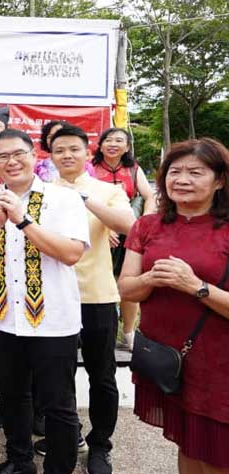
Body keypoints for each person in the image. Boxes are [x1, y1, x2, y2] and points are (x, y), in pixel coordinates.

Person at [0, 129, 90, 474]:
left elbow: (71, 253)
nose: (12, 161)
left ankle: (60, 468)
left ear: (34, 155)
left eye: (18, 153)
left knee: (58, 404)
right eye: (2, 156)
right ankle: (20, 462)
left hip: (53, 322)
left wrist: (22, 220)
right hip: (2, 320)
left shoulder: (63, 198)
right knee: (13, 397)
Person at [119, 138, 229, 474]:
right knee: (188, 444)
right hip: (170, 360)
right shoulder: (147, 226)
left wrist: (195, 287)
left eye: (195, 172)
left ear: (220, 180)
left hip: (219, 364)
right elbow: (126, 288)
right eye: (174, 171)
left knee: (218, 453)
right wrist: (152, 278)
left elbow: (199, 290)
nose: (181, 179)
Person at [43, 125, 136, 474]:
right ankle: (69, 437)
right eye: (59, 150)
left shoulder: (107, 190)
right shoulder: (42, 191)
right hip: (52, 298)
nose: (67, 155)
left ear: (87, 153)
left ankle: (101, 445)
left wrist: (83, 200)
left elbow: (129, 225)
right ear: (50, 157)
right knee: (57, 375)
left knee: (102, 375)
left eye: (74, 149)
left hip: (96, 295)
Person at [92, 127, 156, 351]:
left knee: (128, 282)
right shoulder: (90, 168)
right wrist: (106, 227)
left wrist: (143, 224)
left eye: (119, 140)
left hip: (129, 234)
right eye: (108, 140)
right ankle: (96, 335)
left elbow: (149, 196)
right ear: (100, 145)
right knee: (100, 283)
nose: (113, 144)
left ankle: (128, 333)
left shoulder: (133, 169)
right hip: (98, 233)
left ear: (127, 147)